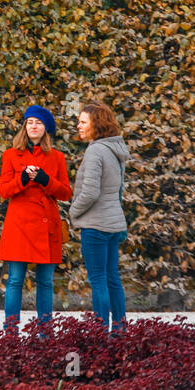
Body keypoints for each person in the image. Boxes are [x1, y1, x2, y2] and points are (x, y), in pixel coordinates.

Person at [0, 105, 72, 335]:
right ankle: (11, 332)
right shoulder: (10, 155)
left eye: (38, 123)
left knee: (46, 282)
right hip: (19, 225)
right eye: (30, 122)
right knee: (15, 281)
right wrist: (22, 179)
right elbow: (4, 190)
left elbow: (65, 193)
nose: (33, 126)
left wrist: (45, 180)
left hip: (45, 224)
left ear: (45, 129)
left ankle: (45, 332)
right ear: (24, 126)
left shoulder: (57, 157)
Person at [70, 101, 130, 332]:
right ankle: (120, 331)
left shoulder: (96, 150)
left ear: (97, 124)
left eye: (83, 122)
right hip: (114, 224)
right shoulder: (114, 150)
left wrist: (73, 212)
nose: (79, 126)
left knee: (98, 280)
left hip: (95, 226)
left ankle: (100, 333)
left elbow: (90, 192)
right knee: (112, 279)